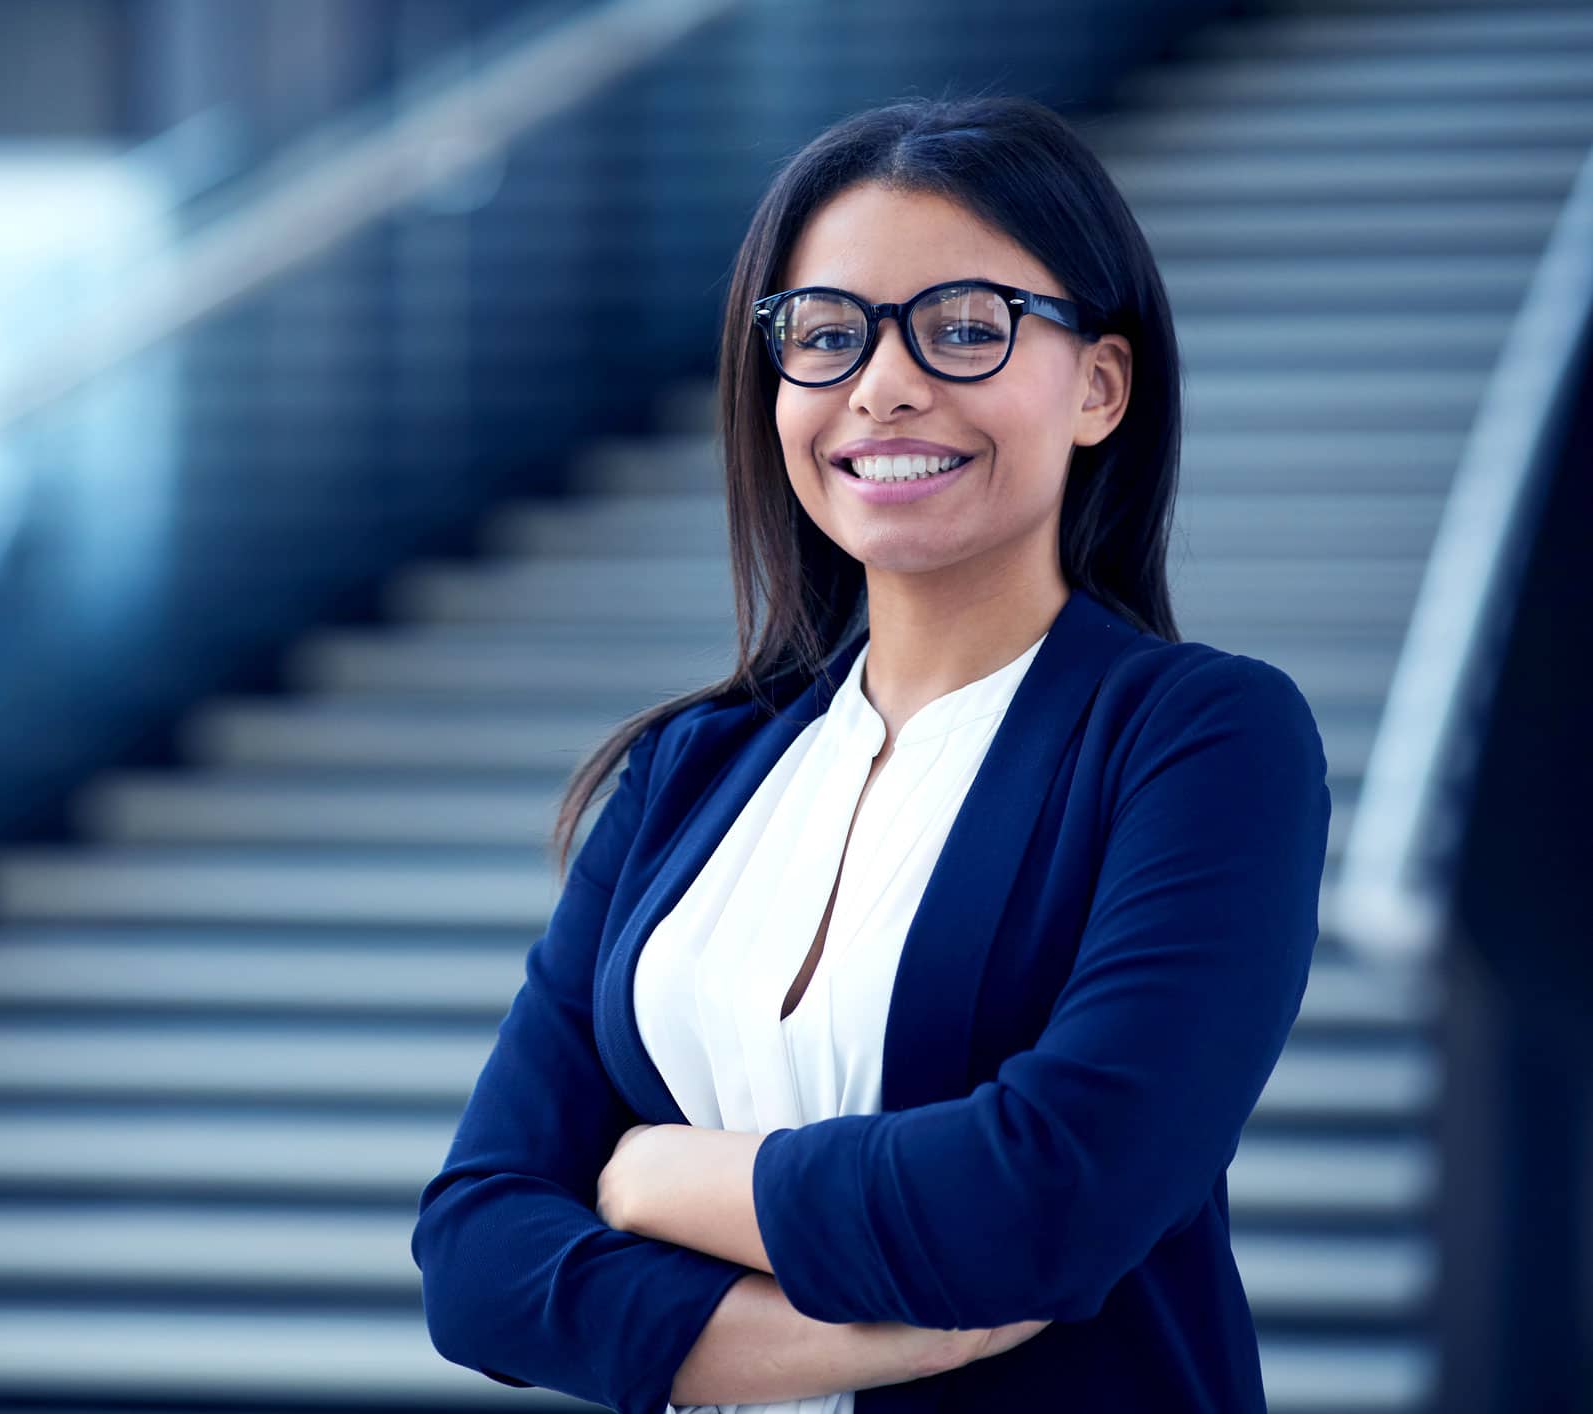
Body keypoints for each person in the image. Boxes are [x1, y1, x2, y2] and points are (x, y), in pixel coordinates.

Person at [410, 92, 1331, 1414]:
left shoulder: (1200, 741)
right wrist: (873, 1338)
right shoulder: (688, 772)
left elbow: (1044, 1199)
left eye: (964, 328)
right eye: (826, 335)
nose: (882, 383)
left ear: (1098, 385)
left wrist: (652, 1178)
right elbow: (475, 1252)